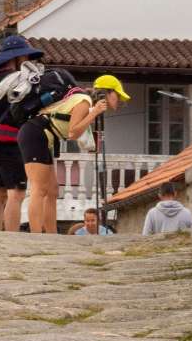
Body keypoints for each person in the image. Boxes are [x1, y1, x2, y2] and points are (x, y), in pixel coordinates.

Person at [18, 74, 130, 234]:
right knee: (39, 188)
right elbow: (73, 133)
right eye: (118, 95)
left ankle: (51, 235)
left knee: (52, 190)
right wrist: (94, 113)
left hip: (42, 138)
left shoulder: (86, 104)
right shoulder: (83, 102)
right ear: (107, 93)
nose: (119, 100)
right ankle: (36, 235)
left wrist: (93, 115)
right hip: (35, 134)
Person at [0, 35, 43, 233]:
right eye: (24, 57)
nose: (27, 60)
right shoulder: (16, 79)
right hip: (11, 142)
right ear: (16, 57)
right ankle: (11, 236)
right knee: (16, 193)